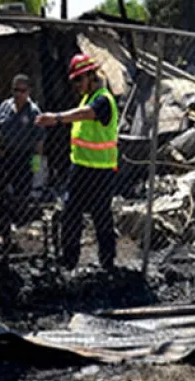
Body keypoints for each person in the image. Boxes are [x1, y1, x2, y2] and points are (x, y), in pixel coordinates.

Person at [36, 54, 118, 272]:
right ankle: (70, 260)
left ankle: (107, 263)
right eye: (74, 81)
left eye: (79, 80)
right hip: (80, 167)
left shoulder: (103, 100)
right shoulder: (87, 98)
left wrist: (57, 118)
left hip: (100, 171)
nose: (76, 85)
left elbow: (87, 114)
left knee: (101, 216)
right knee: (71, 212)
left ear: (91, 76)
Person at [0, 74, 46, 243]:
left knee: (20, 195)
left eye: (22, 91)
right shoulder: (5, 106)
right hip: (4, 155)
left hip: (23, 157)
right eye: (15, 90)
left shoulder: (34, 112)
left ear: (29, 92)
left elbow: (39, 142)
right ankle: (0, 228)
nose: (18, 94)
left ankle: (17, 227)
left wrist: (36, 166)